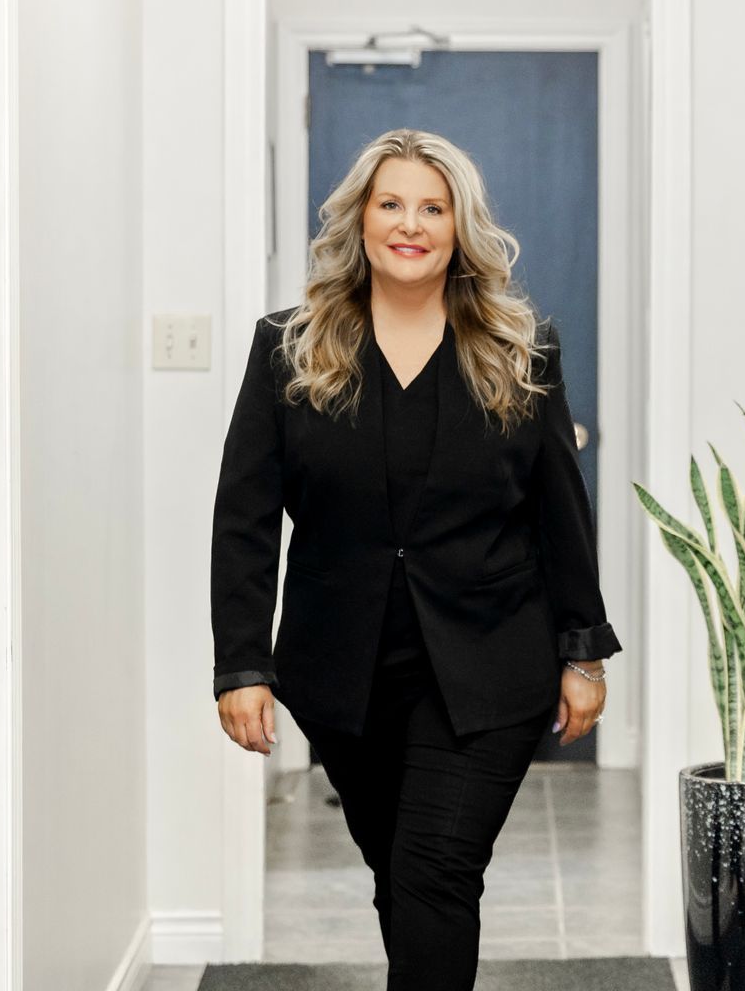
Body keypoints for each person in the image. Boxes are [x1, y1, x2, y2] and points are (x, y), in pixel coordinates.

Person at [210, 127, 621, 988]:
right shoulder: (287, 346)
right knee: (402, 874)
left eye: (432, 208)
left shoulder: (519, 345)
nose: (410, 224)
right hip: (343, 672)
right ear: (358, 221)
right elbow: (245, 516)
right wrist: (241, 662)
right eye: (390, 204)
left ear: (460, 227)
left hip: (490, 664)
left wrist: (583, 648)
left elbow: (559, 509)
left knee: (435, 868)